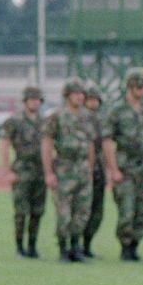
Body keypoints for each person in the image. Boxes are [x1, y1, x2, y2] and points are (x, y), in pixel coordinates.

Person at [103, 66, 143, 261]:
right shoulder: (117, 110)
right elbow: (107, 140)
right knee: (127, 210)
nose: (142, 90)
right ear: (129, 86)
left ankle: (135, 245)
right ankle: (126, 247)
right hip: (125, 166)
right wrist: (113, 169)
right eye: (138, 86)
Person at [41, 78, 96, 263]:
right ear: (67, 96)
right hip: (64, 169)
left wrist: (90, 167)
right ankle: (63, 248)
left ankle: (76, 247)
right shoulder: (56, 116)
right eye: (76, 94)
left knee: (82, 211)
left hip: (82, 169)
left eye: (82, 94)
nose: (80, 97)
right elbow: (47, 143)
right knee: (64, 213)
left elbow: (90, 144)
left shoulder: (87, 116)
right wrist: (48, 172)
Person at [0, 85, 46, 257]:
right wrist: (7, 171)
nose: (35, 102)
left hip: (40, 171)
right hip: (22, 170)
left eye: (38, 99)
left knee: (38, 211)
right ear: (25, 101)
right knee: (21, 212)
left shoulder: (44, 121)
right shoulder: (14, 121)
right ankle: (20, 247)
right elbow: (3, 145)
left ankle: (32, 246)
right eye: (32, 99)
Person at [81, 82, 106, 257]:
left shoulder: (102, 121)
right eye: (89, 99)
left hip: (99, 170)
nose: (93, 103)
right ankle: (74, 245)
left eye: (96, 99)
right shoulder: (76, 119)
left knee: (96, 210)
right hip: (79, 170)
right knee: (81, 209)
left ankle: (87, 245)